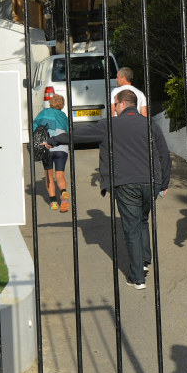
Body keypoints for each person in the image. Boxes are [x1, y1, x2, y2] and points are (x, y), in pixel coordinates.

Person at [46, 89, 170, 289]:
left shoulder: (109, 125)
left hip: (126, 183)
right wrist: (164, 183)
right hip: (152, 182)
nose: (113, 108)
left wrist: (53, 141)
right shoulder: (150, 124)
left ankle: (138, 278)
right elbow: (164, 154)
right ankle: (145, 261)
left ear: (121, 104)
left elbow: (79, 135)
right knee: (142, 220)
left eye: (114, 104)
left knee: (131, 229)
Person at [33, 94, 71, 212]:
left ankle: (54, 202)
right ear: (62, 104)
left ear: (50, 102)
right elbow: (68, 131)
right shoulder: (63, 116)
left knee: (49, 176)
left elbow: (34, 128)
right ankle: (63, 192)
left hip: (47, 146)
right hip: (61, 147)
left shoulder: (43, 113)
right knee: (60, 175)